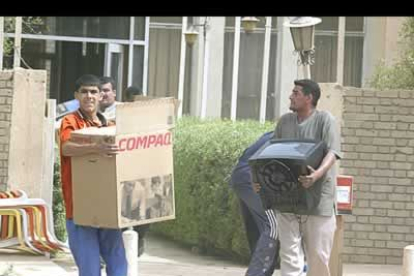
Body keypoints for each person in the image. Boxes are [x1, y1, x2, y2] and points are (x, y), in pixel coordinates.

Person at [272, 79, 341, 276]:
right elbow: (272, 152)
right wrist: (260, 180)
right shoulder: (285, 122)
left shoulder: (325, 120)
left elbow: (333, 152)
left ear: (309, 98)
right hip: (287, 200)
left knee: (318, 258)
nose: (290, 96)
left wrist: (316, 175)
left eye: (296, 93)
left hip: (318, 202)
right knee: (289, 256)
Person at [59, 74, 127, 276]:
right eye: (84, 92)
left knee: (118, 262)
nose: (89, 96)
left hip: (108, 206)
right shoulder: (70, 121)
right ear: (76, 96)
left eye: (94, 92)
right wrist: (96, 147)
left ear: (100, 96)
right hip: (80, 207)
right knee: (89, 268)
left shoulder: (109, 126)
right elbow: (66, 148)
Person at [98, 80, 150, 257]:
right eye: (130, 101)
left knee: (140, 212)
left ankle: (138, 241)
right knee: (122, 213)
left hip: (139, 170)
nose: (132, 104)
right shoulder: (117, 115)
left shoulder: (146, 117)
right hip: (121, 170)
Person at [229, 131, 279, 276]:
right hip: (251, 177)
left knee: (259, 230)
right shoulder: (287, 133)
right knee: (274, 225)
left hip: (241, 175)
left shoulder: (271, 133)